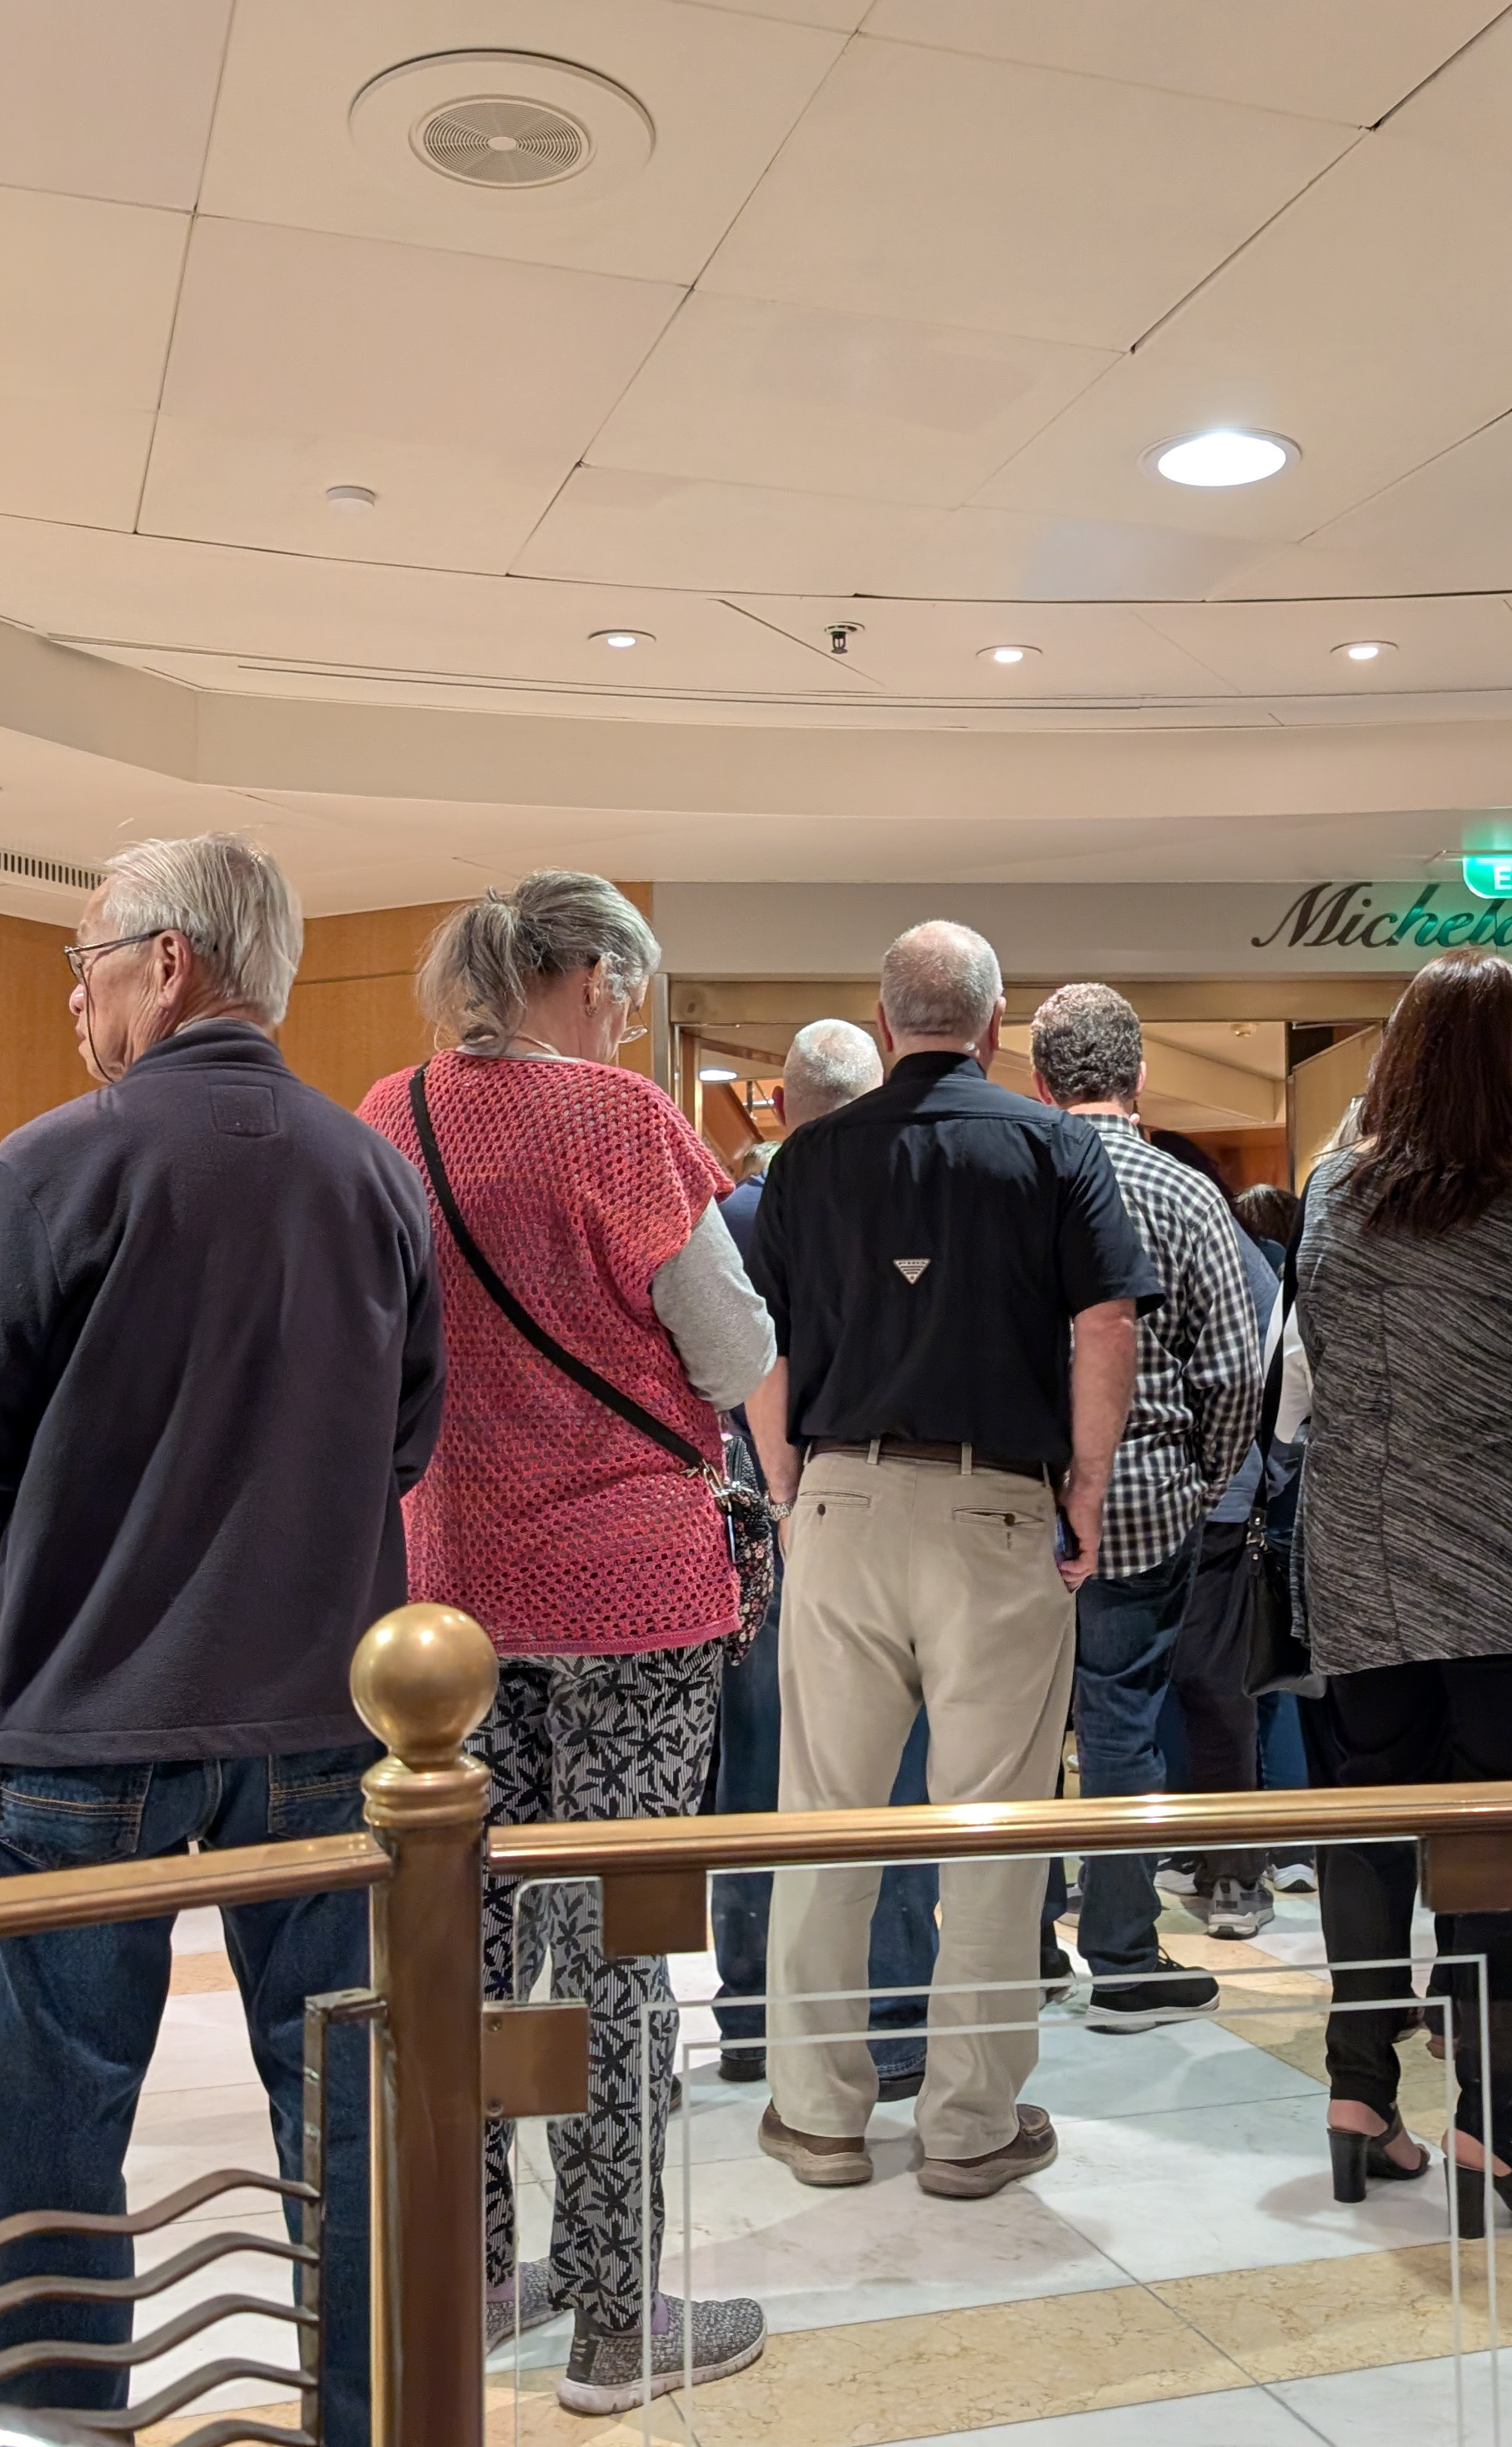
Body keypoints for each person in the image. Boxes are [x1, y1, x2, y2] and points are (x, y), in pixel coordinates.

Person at [0, 832, 437, 2437]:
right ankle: (367, 2415)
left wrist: (29, 1608)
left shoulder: (49, 1167)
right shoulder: (374, 1178)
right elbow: (407, 1433)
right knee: (343, 2112)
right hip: (324, 1720)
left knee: (58, 2137)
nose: (74, 998)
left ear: (165, 962)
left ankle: (55, 2427)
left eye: (83, 962)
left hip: (89, 1728)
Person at [360, 873, 775, 2416]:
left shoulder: (392, 1112)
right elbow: (730, 1350)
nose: (628, 1018)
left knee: (458, 1949)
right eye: (632, 992)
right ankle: (614, 2318)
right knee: (617, 1952)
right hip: (628, 1593)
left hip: (449, 1603)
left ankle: (471, 2278)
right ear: (591, 976)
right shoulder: (616, 1119)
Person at [742, 922, 1153, 2201]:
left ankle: (819, 2115)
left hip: (843, 1496)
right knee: (991, 1828)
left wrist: (787, 1484)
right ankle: (968, 2126)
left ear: (881, 1022)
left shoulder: (807, 1158)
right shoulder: (1054, 1146)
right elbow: (1105, 1321)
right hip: (996, 1507)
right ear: (995, 1023)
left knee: (826, 1821)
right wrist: (1083, 1487)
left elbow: (757, 1340)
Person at [1285, 957, 1512, 2227]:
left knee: (1368, 1819)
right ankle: (1495, 2125)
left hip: (1359, 1554)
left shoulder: (1332, 1192)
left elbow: (1320, 1358)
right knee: (1498, 1843)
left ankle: (1356, 2094)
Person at [708, 1019, 941, 2108]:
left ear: (781, 1103)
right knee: (889, 1767)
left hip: (747, 1523)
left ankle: (750, 2015)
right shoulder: (901, 1211)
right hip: (873, 1507)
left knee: (756, 1766)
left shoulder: (727, 1218)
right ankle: (890, 2020)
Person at [1025, 986, 1257, 2019]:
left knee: (1020, 1730)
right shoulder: (1185, 1192)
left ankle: (1024, 1950)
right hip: (1147, 1498)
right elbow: (1235, 1367)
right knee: (1124, 1724)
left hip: (1019, 1502)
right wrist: (1202, 1477)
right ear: (1140, 1077)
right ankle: (1122, 1956)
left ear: (1040, 1081)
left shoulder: (1018, 1179)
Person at [1145, 1129, 1291, 1938]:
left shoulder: (1093, 1205)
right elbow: (1264, 1364)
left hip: (1120, 1496)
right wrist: (1227, 1471)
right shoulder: (1225, 1234)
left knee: (1125, 1703)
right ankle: (1228, 1872)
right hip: (1215, 1499)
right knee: (1216, 1694)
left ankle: (1146, 1880)